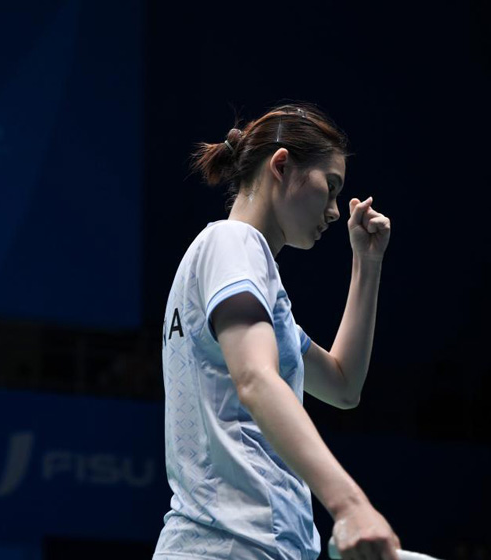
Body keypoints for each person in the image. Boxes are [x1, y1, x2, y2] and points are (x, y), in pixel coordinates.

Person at [153, 102, 401, 560]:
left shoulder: (252, 282)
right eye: (330, 187)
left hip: (259, 545)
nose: (334, 211)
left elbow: (343, 385)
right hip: (229, 544)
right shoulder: (232, 242)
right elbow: (256, 379)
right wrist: (351, 505)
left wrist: (366, 263)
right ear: (282, 166)